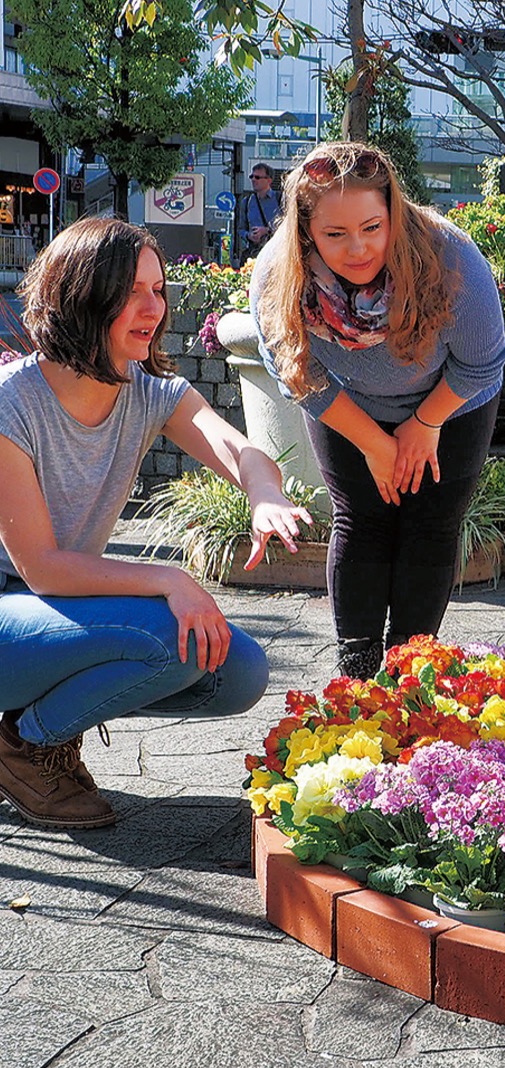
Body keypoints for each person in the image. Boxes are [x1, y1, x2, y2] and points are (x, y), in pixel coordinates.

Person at [0, 218, 306, 828]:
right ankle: (24, 745)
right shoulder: (12, 402)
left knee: (236, 670)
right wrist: (169, 578)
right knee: (173, 631)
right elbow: (42, 568)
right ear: (82, 296)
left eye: (158, 289)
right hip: (18, 604)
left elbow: (238, 449)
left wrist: (265, 493)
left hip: (57, 610)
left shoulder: (148, 391)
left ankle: (34, 728)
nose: (153, 308)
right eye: (130, 292)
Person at [250, 142, 505, 680]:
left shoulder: (451, 259)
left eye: (372, 226)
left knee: (432, 524)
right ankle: (358, 673)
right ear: (305, 233)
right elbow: (296, 373)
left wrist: (424, 424)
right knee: (361, 520)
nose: (358, 249)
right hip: (345, 403)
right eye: (335, 234)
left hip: (453, 400)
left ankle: (410, 673)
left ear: (394, 212)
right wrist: (375, 443)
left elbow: (481, 364)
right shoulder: (279, 275)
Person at [239, 163, 281, 263]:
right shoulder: (247, 202)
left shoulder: (280, 199)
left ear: (269, 180)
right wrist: (249, 235)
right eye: (251, 177)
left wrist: (266, 230)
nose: (253, 180)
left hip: (276, 255)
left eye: (257, 177)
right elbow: (240, 229)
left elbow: (288, 227)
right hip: (254, 255)